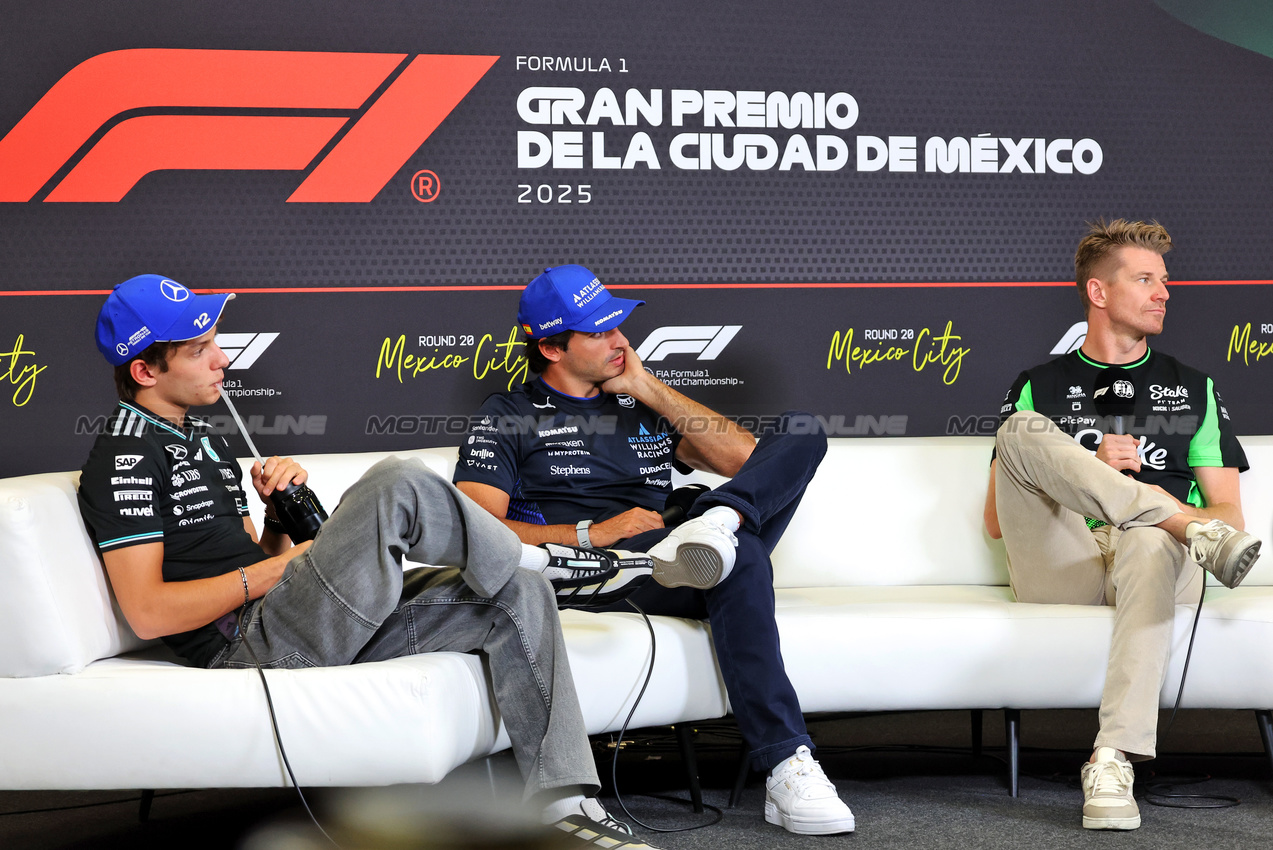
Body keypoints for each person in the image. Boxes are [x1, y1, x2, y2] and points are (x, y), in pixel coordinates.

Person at [77, 274, 672, 848]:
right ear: (145, 369)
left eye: (216, 345)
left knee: (517, 592)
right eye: (199, 350)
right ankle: (543, 555)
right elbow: (150, 613)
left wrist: (280, 525)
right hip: (251, 651)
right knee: (398, 481)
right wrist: (284, 568)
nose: (222, 361)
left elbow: (248, 562)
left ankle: (563, 802)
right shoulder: (125, 454)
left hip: (291, 618)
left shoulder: (200, 440)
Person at [454, 264, 856, 836]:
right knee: (741, 560)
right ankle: (788, 761)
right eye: (598, 332)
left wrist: (646, 388)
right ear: (550, 346)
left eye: (619, 325)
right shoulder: (507, 416)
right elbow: (475, 529)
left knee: (800, 431)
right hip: (597, 572)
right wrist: (594, 532)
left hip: (676, 553)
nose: (620, 340)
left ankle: (723, 518)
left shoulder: (642, 399)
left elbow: (750, 464)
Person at [983, 220, 1262, 831]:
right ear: (1098, 293)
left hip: (1157, 560)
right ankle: (1162, 515)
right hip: (1068, 560)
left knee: (1144, 533)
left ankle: (1112, 759)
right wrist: (1097, 474)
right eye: (1145, 279)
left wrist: (1144, 510)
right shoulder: (1037, 385)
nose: (1165, 292)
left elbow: (1228, 518)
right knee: (1020, 431)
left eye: (1164, 281)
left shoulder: (1194, 387)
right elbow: (996, 524)